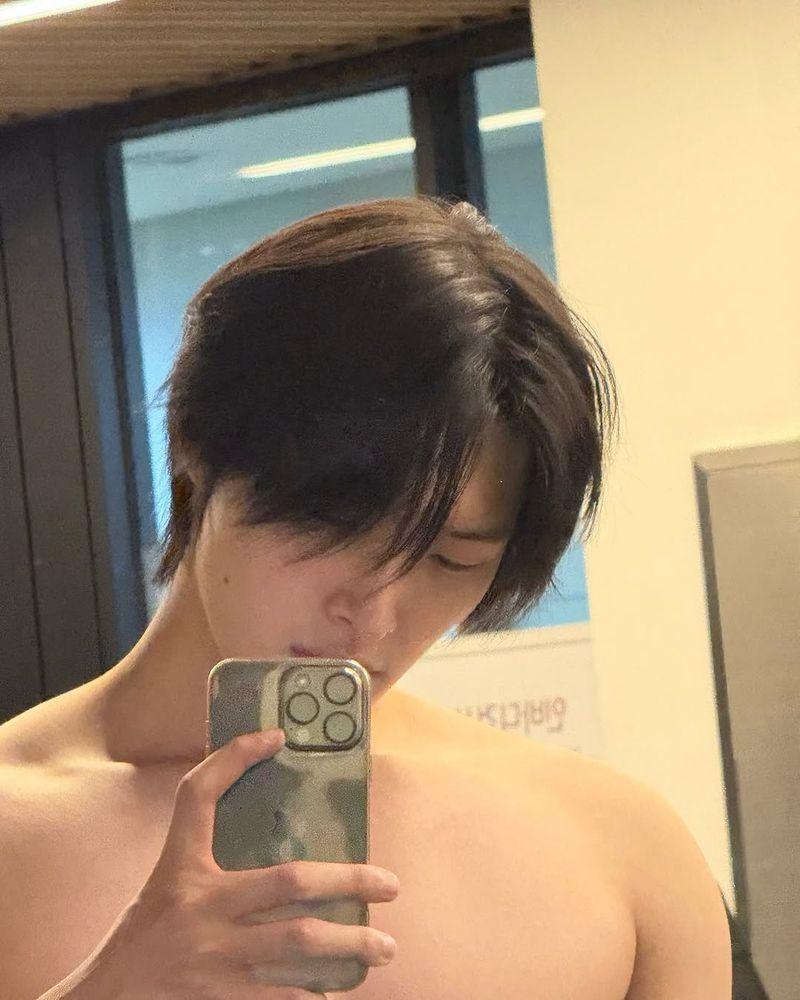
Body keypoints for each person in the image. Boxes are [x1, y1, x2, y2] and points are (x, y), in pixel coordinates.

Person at [0, 196, 731, 999]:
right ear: (197, 446)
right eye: (334, 524)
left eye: (450, 560)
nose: (375, 617)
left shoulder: (618, 851)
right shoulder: (16, 824)